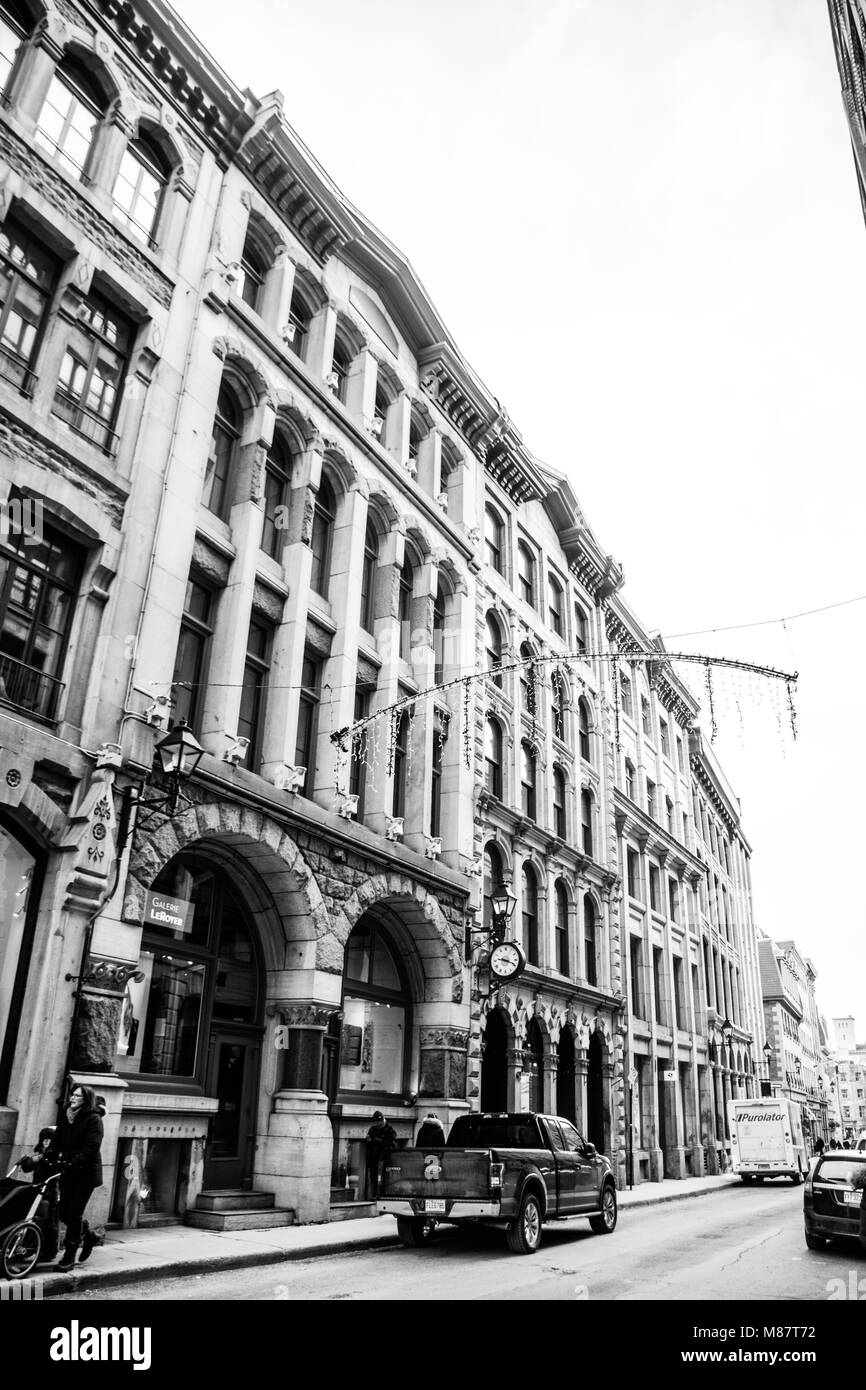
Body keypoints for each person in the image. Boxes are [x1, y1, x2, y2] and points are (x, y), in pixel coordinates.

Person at [47, 1083, 104, 1271]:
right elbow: (56, 1140)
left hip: (86, 1173)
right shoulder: (66, 1115)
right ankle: (88, 1234)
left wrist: (74, 1161)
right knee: (64, 1212)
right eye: (73, 1094)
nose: (73, 1098)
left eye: (78, 1096)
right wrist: (50, 1156)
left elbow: (92, 1146)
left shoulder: (93, 1119)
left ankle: (69, 1257)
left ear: (86, 1100)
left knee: (75, 1212)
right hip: (67, 1170)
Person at [19, 1125, 60, 1261]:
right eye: (44, 1139)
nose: (46, 1142)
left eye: (49, 1139)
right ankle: (34, 1247)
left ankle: (50, 1251)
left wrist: (41, 1159)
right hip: (38, 1190)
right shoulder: (40, 1153)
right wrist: (26, 1161)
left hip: (49, 1192)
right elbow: (27, 1168)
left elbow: (54, 1169)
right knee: (37, 1220)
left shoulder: (55, 1155)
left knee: (49, 1222)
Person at [366, 1110, 397, 1197]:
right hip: (373, 1158)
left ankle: (382, 1194)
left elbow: (392, 1145)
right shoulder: (373, 1129)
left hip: (384, 1159)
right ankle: (374, 1195)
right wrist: (369, 1140)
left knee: (383, 1178)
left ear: (383, 1120)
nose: (378, 1124)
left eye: (379, 1122)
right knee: (373, 1178)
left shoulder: (390, 1130)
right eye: (376, 1122)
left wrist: (376, 1140)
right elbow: (369, 1141)